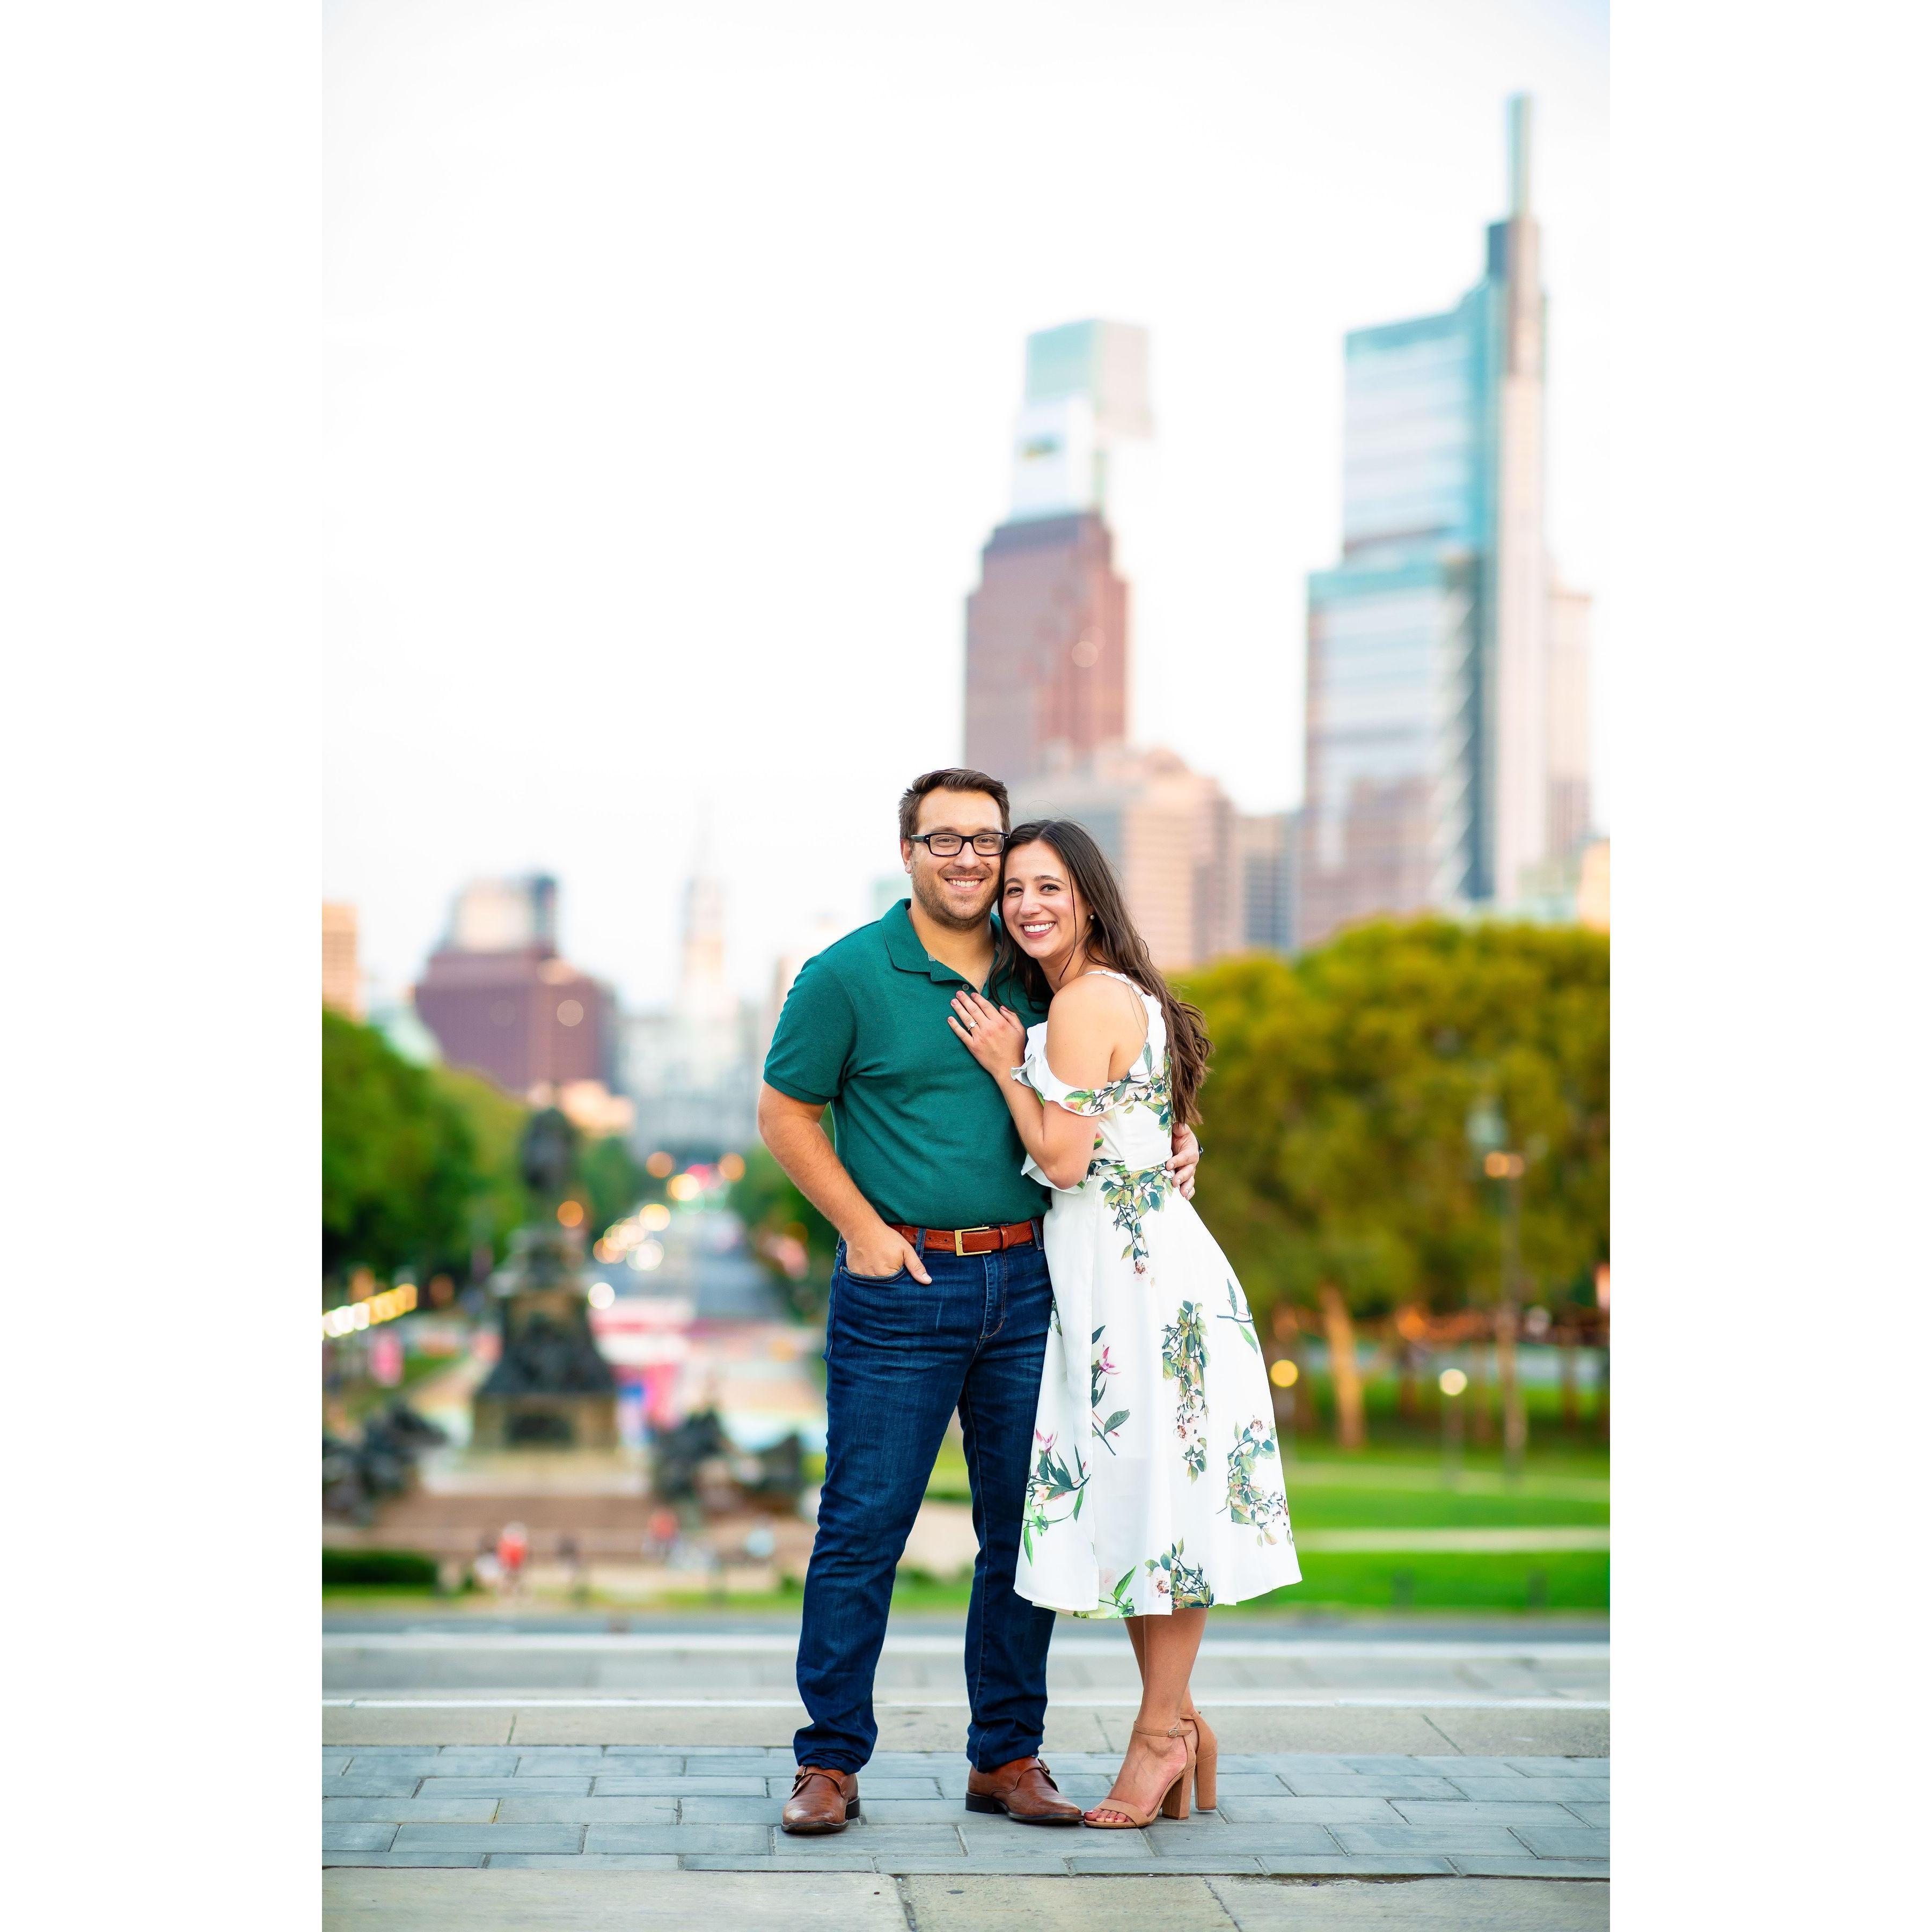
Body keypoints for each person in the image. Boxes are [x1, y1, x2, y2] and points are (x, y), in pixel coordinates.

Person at [758, 769, 1202, 1835]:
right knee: (863, 1525)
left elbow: (1117, 1074)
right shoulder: (847, 975)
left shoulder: (1037, 962)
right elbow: (784, 1113)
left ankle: (1005, 1756)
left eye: (985, 841)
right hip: (901, 1285)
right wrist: (864, 1233)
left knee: (1021, 1529)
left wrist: (1177, 1140)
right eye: (944, 839)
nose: (968, 859)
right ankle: (828, 1762)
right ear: (907, 851)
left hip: (1035, 1279)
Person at [948, 818, 1300, 1829]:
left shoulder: (1083, 1001)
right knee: (1152, 1501)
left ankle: (1159, 1738)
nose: (1027, 906)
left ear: (1090, 898)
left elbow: (1064, 1162)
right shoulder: (1107, 994)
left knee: (1162, 1503)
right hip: (1133, 1270)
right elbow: (1135, 1132)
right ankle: (1178, 1722)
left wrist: (1008, 1066)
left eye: (1048, 887)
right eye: (1015, 891)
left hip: (1138, 1282)